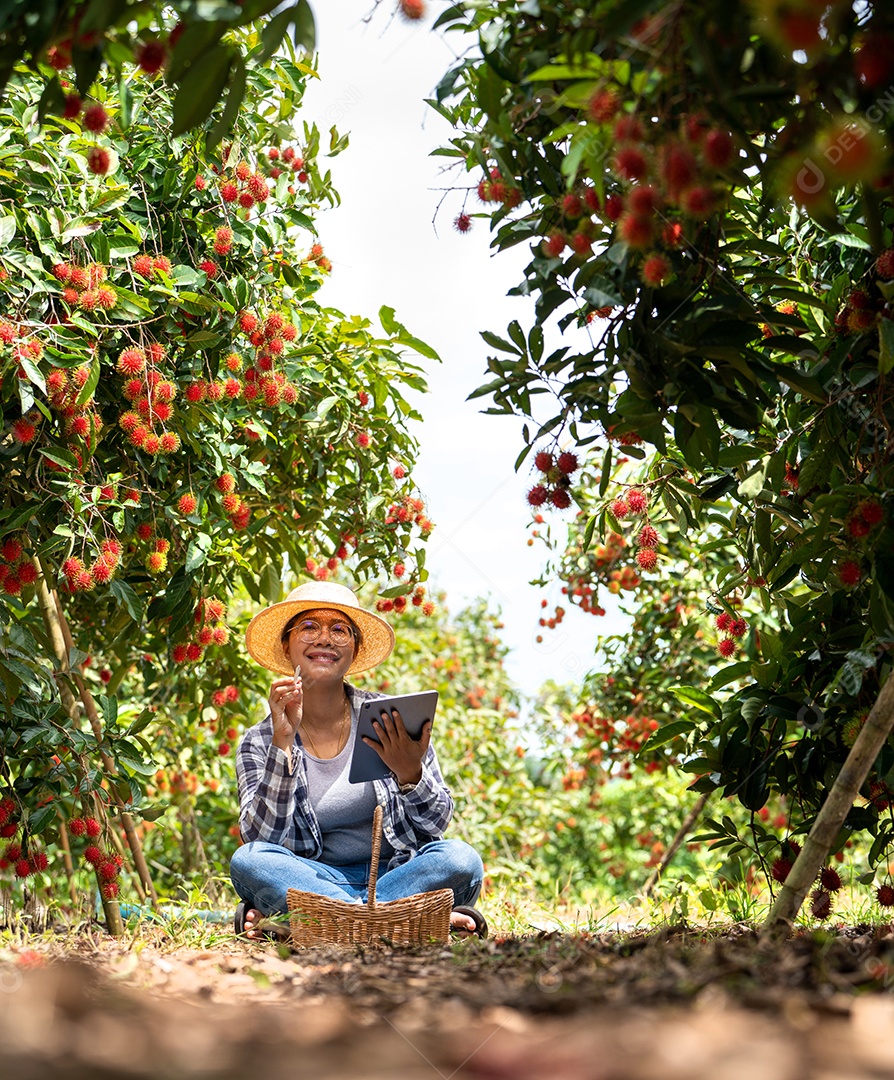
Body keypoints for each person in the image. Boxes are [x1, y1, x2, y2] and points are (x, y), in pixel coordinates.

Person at [230, 580, 487, 940]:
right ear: (287, 646)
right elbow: (260, 838)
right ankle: (398, 920)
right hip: (311, 878)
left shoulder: (390, 719)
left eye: (339, 630)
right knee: (250, 861)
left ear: (354, 648)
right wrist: (283, 744)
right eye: (308, 627)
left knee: (460, 859)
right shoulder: (260, 740)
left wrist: (410, 773)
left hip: (396, 874)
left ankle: (323, 922)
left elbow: (434, 826)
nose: (324, 638)